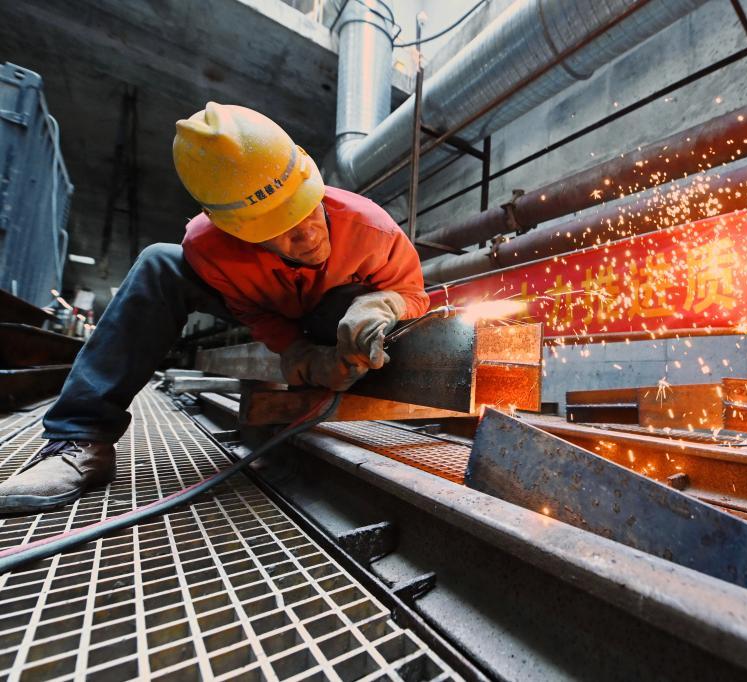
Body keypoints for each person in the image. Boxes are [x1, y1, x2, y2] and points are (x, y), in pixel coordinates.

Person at [0, 103, 429, 513]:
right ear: (235, 230)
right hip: (275, 308)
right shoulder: (211, 247)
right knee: (160, 264)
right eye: (279, 227)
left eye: (307, 208)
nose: (309, 236)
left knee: (360, 303)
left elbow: (414, 293)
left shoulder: (370, 227)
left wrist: (381, 303)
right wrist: (294, 350)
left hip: (331, 315)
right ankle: (81, 438)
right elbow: (252, 311)